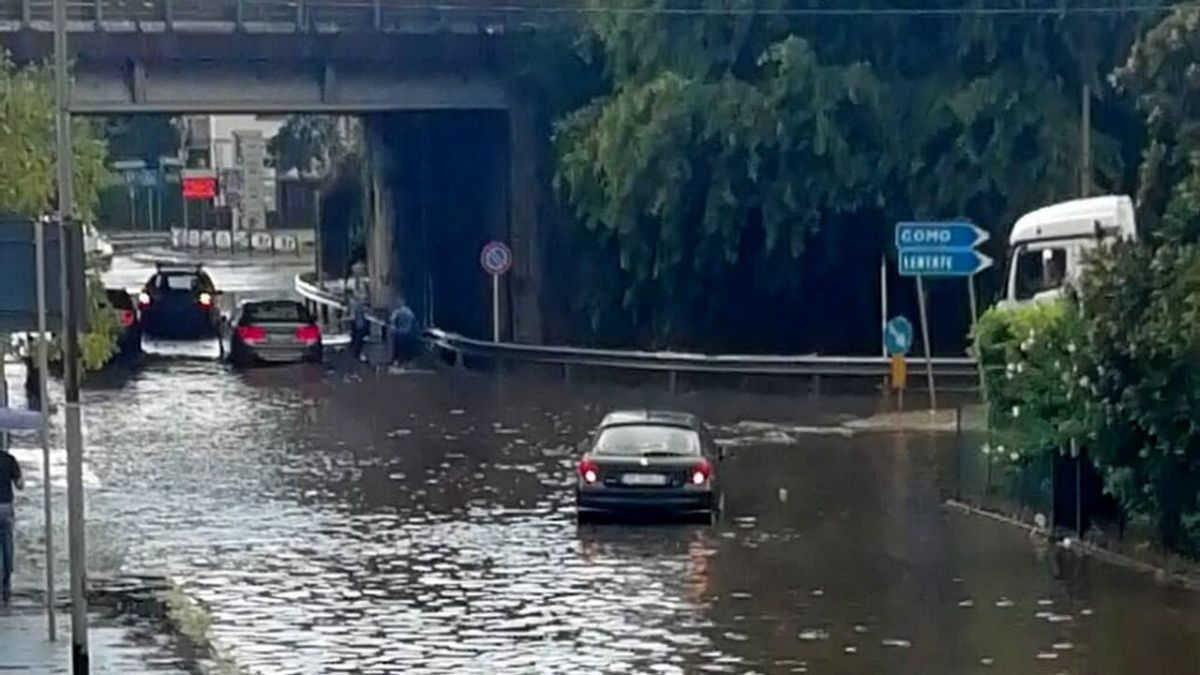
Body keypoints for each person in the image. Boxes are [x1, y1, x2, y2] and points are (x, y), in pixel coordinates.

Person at [0, 442, 24, 606]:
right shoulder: (9, 459)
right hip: (5, 507)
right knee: (7, 544)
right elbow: (20, 485)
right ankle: (6, 585)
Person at [389, 298, 420, 366]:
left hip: (399, 333)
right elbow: (414, 322)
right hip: (408, 332)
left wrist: (392, 331)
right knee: (406, 348)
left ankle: (397, 361)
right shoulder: (409, 312)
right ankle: (407, 362)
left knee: (398, 348)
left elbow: (392, 321)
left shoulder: (397, 312)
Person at [346, 291, 369, 362]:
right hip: (361, 325)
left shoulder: (353, 304)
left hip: (358, 326)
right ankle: (359, 357)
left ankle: (356, 359)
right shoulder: (358, 303)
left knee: (356, 344)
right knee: (358, 343)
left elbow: (352, 317)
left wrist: (343, 319)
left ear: (348, 296)